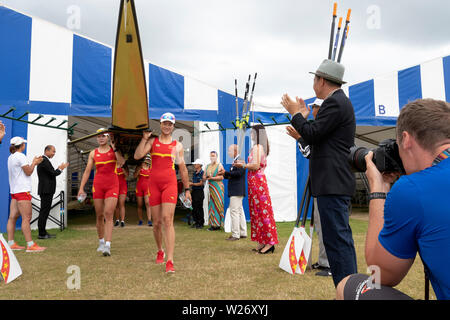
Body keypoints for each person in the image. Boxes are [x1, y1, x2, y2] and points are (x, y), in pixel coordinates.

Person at [337, 99, 450, 300]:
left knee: (347, 285)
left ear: (405, 139)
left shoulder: (412, 189)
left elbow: (380, 274)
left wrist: (378, 190)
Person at [281, 59, 357, 286]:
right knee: (337, 240)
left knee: (337, 241)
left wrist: (295, 114)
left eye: (314, 78)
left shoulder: (335, 103)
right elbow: (318, 136)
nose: (313, 82)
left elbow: (313, 135)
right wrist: (303, 119)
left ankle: (347, 287)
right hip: (332, 182)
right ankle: (347, 286)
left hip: (333, 182)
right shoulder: (338, 102)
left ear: (321, 80)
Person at [134, 112, 191, 273]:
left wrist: (187, 190)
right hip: (154, 185)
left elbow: (183, 169)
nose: (167, 126)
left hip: (170, 184)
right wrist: (144, 138)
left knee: (167, 220)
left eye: (170, 124)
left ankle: (170, 260)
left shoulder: (177, 146)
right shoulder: (152, 141)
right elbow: (137, 155)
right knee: (157, 223)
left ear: (173, 126)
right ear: (160, 124)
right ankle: (160, 250)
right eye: (164, 123)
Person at [286, 99, 331, 277]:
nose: (312, 110)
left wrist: (299, 138)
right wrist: (300, 138)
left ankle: (329, 265)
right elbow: (309, 153)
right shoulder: (317, 128)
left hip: (327, 183)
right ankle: (323, 261)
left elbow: (311, 153)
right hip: (320, 183)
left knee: (327, 226)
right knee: (320, 225)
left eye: (314, 107)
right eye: (312, 107)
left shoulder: (324, 128)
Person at [77, 129, 125, 256]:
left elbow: (122, 163)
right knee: (99, 215)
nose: (101, 138)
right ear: (96, 139)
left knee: (108, 213)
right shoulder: (93, 153)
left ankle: (108, 245)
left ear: (108, 137)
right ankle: (101, 242)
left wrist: (115, 149)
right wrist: (81, 188)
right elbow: (87, 171)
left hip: (112, 185)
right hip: (98, 186)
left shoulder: (114, 150)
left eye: (103, 136)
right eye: (99, 136)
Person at [233, 125, 278, 254]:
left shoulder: (258, 147)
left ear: (258, 134)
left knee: (262, 212)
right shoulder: (259, 147)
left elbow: (256, 165)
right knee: (257, 213)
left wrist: (243, 165)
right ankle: (263, 241)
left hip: (257, 182)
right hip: (255, 182)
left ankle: (269, 243)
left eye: (253, 133)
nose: (251, 135)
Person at [7, 137, 46, 252]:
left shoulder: (11, 157)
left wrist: (33, 162)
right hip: (22, 190)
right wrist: (34, 163)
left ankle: (11, 243)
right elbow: (28, 172)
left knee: (12, 217)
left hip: (14, 191)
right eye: (24, 144)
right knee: (26, 218)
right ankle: (30, 245)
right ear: (22, 145)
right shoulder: (21, 156)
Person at [37, 145, 69, 239]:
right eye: (53, 151)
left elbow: (50, 173)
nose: (54, 153)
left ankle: (43, 232)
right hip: (46, 190)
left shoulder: (44, 160)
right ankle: (42, 233)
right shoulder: (43, 160)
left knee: (44, 212)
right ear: (47, 151)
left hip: (46, 190)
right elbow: (53, 173)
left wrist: (59, 169)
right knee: (44, 212)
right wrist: (60, 169)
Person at [223, 144, 247, 241]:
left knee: (234, 212)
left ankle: (235, 234)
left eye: (230, 150)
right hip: (237, 189)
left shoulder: (240, 160)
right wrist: (224, 174)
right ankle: (242, 232)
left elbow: (239, 173)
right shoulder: (235, 160)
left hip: (236, 190)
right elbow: (232, 175)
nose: (228, 152)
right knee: (239, 212)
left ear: (235, 151)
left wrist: (226, 172)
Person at [203, 151, 225, 231]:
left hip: (218, 187)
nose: (212, 157)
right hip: (211, 187)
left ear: (216, 157)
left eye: (214, 156)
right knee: (211, 205)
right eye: (211, 156)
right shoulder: (207, 166)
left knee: (218, 204)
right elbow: (204, 176)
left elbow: (222, 177)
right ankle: (213, 224)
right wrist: (206, 177)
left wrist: (212, 178)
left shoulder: (219, 165)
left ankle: (218, 224)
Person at [134, 158, 152, 226]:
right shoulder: (139, 167)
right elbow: (135, 176)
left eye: (148, 160)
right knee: (140, 205)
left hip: (147, 188)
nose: (146, 161)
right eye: (145, 160)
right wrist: (139, 169)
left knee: (148, 203)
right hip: (139, 188)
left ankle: (149, 220)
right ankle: (140, 220)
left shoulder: (150, 168)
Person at [189, 159, 205, 229]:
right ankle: (196, 222)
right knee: (194, 207)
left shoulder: (202, 173)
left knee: (199, 207)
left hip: (199, 192)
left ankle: (200, 223)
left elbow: (201, 183)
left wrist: (192, 184)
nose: (194, 165)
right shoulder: (194, 173)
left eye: (196, 164)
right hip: (194, 191)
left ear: (199, 165)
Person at [114, 163, 129, 228]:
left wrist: (122, 167)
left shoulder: (124, 165)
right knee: (116, 204)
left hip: (123, 186)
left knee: (121, 203)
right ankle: (117, 220)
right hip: (114, 186)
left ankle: (122, 221)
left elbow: (126, 175)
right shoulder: (112, 164)